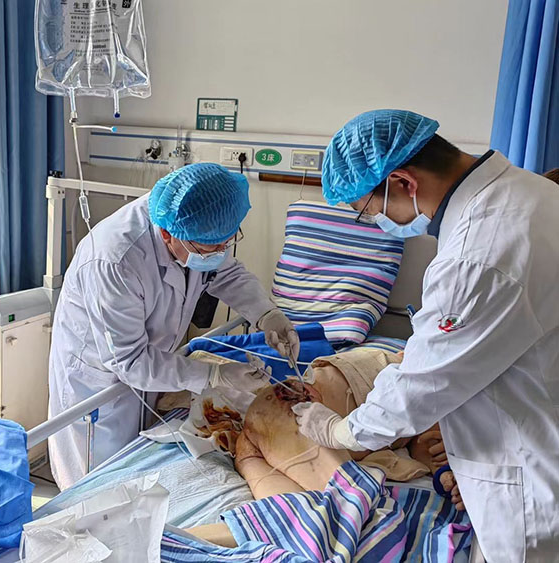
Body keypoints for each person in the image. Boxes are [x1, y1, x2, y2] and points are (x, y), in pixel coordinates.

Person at [293, 109, 559, 562]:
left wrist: (341, 429)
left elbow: (419, 387)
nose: (378, 221)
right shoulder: (535, 192)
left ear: (403, 183)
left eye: (370, 211)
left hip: (530, 478)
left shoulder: (475, 256)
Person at [48, 162, 299, 489]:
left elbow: (225, 272)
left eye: (226, 243)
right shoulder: (115, 260)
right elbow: (131, 361)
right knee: (95, 487)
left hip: (148, 370)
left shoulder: (199, 229)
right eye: (210, 248)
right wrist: (214, 375)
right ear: (167, 235)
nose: (220, 252)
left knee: (136, 473)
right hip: (98, 387)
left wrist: (266, 314)